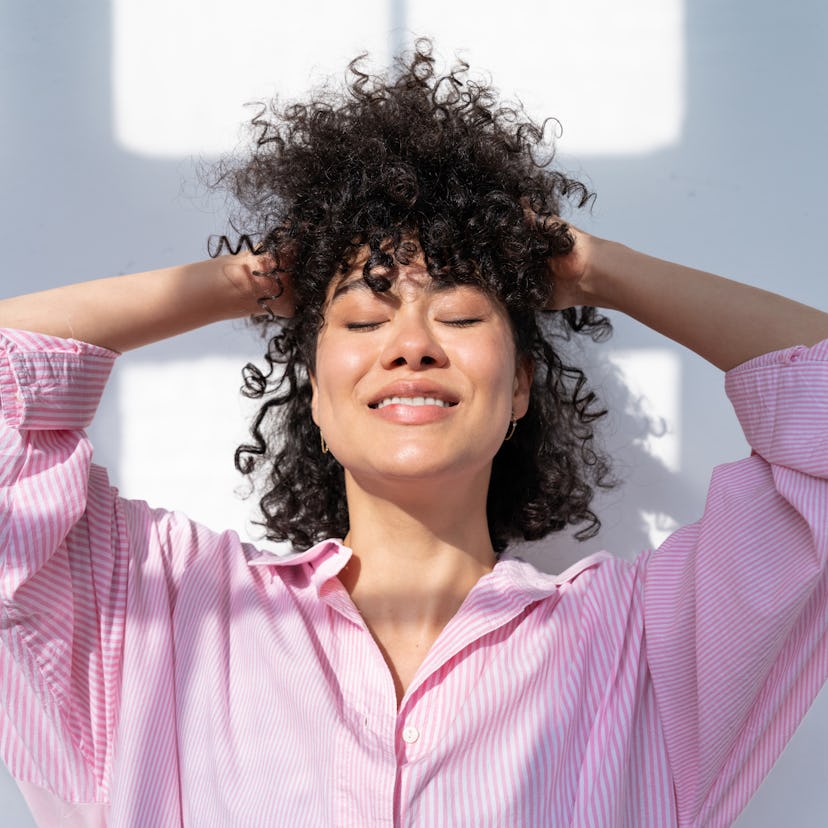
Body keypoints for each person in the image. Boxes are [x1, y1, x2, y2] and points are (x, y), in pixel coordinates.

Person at [1, 41, 826, 827]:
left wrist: (593, 271)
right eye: (362, 318)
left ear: (520, 389)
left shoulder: (644, 646)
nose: (412, 343)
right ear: (314, 396)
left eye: (462, 313)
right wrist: (247, 279)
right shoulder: (159, 609)